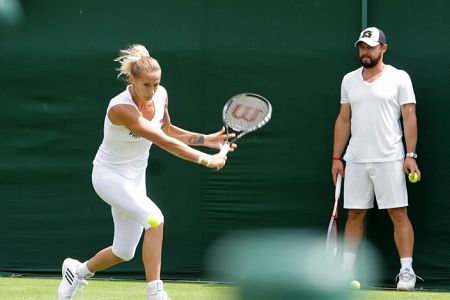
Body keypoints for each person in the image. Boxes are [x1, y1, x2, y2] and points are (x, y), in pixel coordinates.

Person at [58, 44, 235, 300]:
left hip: (135, 179)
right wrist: (207, 160)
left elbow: (168, 130)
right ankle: (156, 294)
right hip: (108, 177)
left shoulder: (160, 95)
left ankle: (77, 271)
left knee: (124, 251)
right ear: (132, 80)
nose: (152, 91)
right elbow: (162, 141)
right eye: (146, 85)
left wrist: (206, 139)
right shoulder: (120, 108)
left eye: (156, 84)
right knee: (155, 219)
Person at [331, 27, 421, 291]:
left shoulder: (399, 78)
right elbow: (344, 119)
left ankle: (407, 272)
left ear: (383, 48)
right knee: (355, 215)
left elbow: (409, 117)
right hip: (356, 159)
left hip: (391, 158)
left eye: (370, 47)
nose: (365, 52)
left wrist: (410, 155)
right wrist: (337, 157)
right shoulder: (348, 80)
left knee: (398, 213)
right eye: (362, 47)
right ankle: (346, 272)